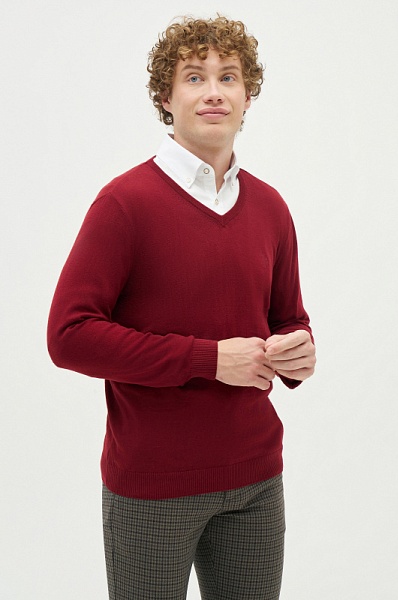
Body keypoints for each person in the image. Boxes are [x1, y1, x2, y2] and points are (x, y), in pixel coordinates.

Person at [47, 15, 316, 600]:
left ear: (248, 96)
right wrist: (209, 360)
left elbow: (287, 318)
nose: (214, 91)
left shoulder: (271, 208)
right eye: (194, 77)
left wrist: (299, 351)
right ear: (166, 99)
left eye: (228, 77)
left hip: (256, 480)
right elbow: (69, 335)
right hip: (152, 487)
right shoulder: (125, 204)